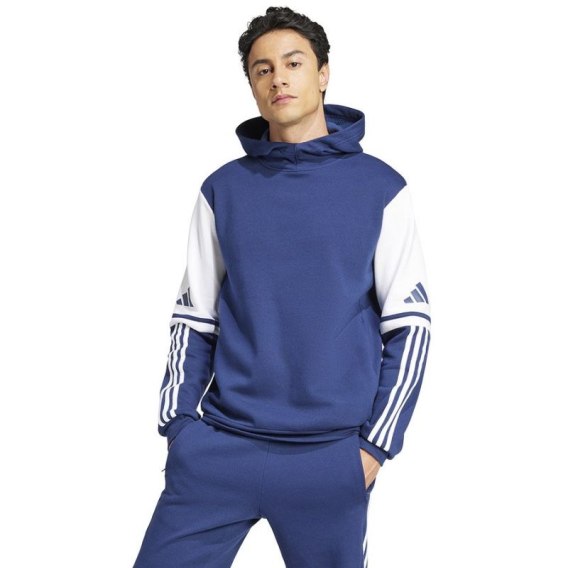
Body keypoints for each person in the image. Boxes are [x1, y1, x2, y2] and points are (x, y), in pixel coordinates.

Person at [133, 6, 432, 568]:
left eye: (294, 63)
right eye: (262, 69)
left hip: (329, 457)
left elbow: (410, 326)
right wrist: (180, 429)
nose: (278, 79)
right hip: (220, 449)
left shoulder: (381, 188)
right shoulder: (223, 190)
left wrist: (374, 448)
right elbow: (194, 319)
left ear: (323, 73)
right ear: (251, 84)